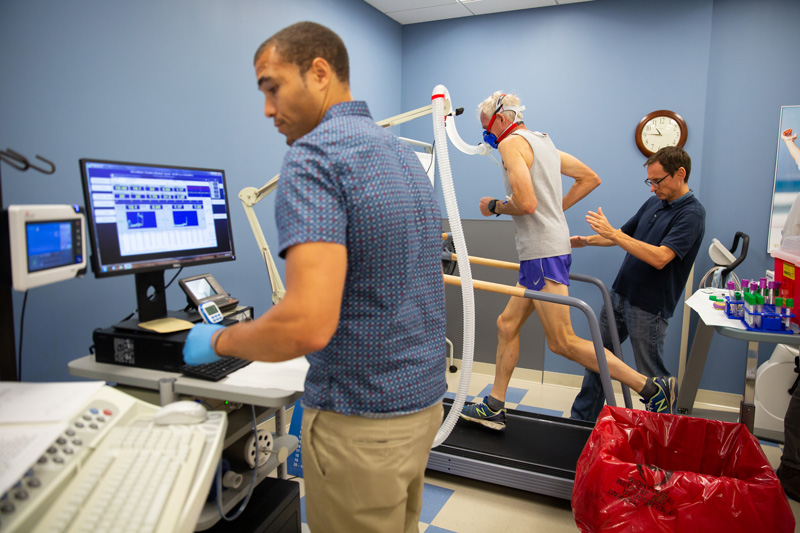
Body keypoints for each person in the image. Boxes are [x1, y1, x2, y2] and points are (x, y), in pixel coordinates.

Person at [182, 21, 447, 532]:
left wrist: (218, 340)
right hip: (420, 406)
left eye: (272, 87)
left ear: (319, 72)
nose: (266, 108)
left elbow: (306, 325)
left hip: (362, 422)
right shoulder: (400, 153)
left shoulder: (315, 158)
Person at [460, 92, 678, 431]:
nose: (486, 135)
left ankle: (651, 386)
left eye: (485, 127)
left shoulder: (510, 145)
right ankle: (495, 405)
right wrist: (554, 212)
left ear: (500, 120)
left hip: (542, 253)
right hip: (544, 250)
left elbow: (527, 203)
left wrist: (493, 206)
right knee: (507, 324)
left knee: (562, 341)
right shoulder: (543, 142)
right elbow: (590, 178)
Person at [569, 146, 705, 422]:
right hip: (619, 296)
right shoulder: (656, 202)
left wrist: (613, 235)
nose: (653, 188)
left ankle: (661, 437)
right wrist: (586, 241)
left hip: (649, 308)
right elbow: (621, 235)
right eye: (650, 181)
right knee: (598, 360)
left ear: (680, 174)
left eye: (658, 181)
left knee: (654, 382)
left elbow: (660, 258)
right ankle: (580, 422)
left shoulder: (691, 214)